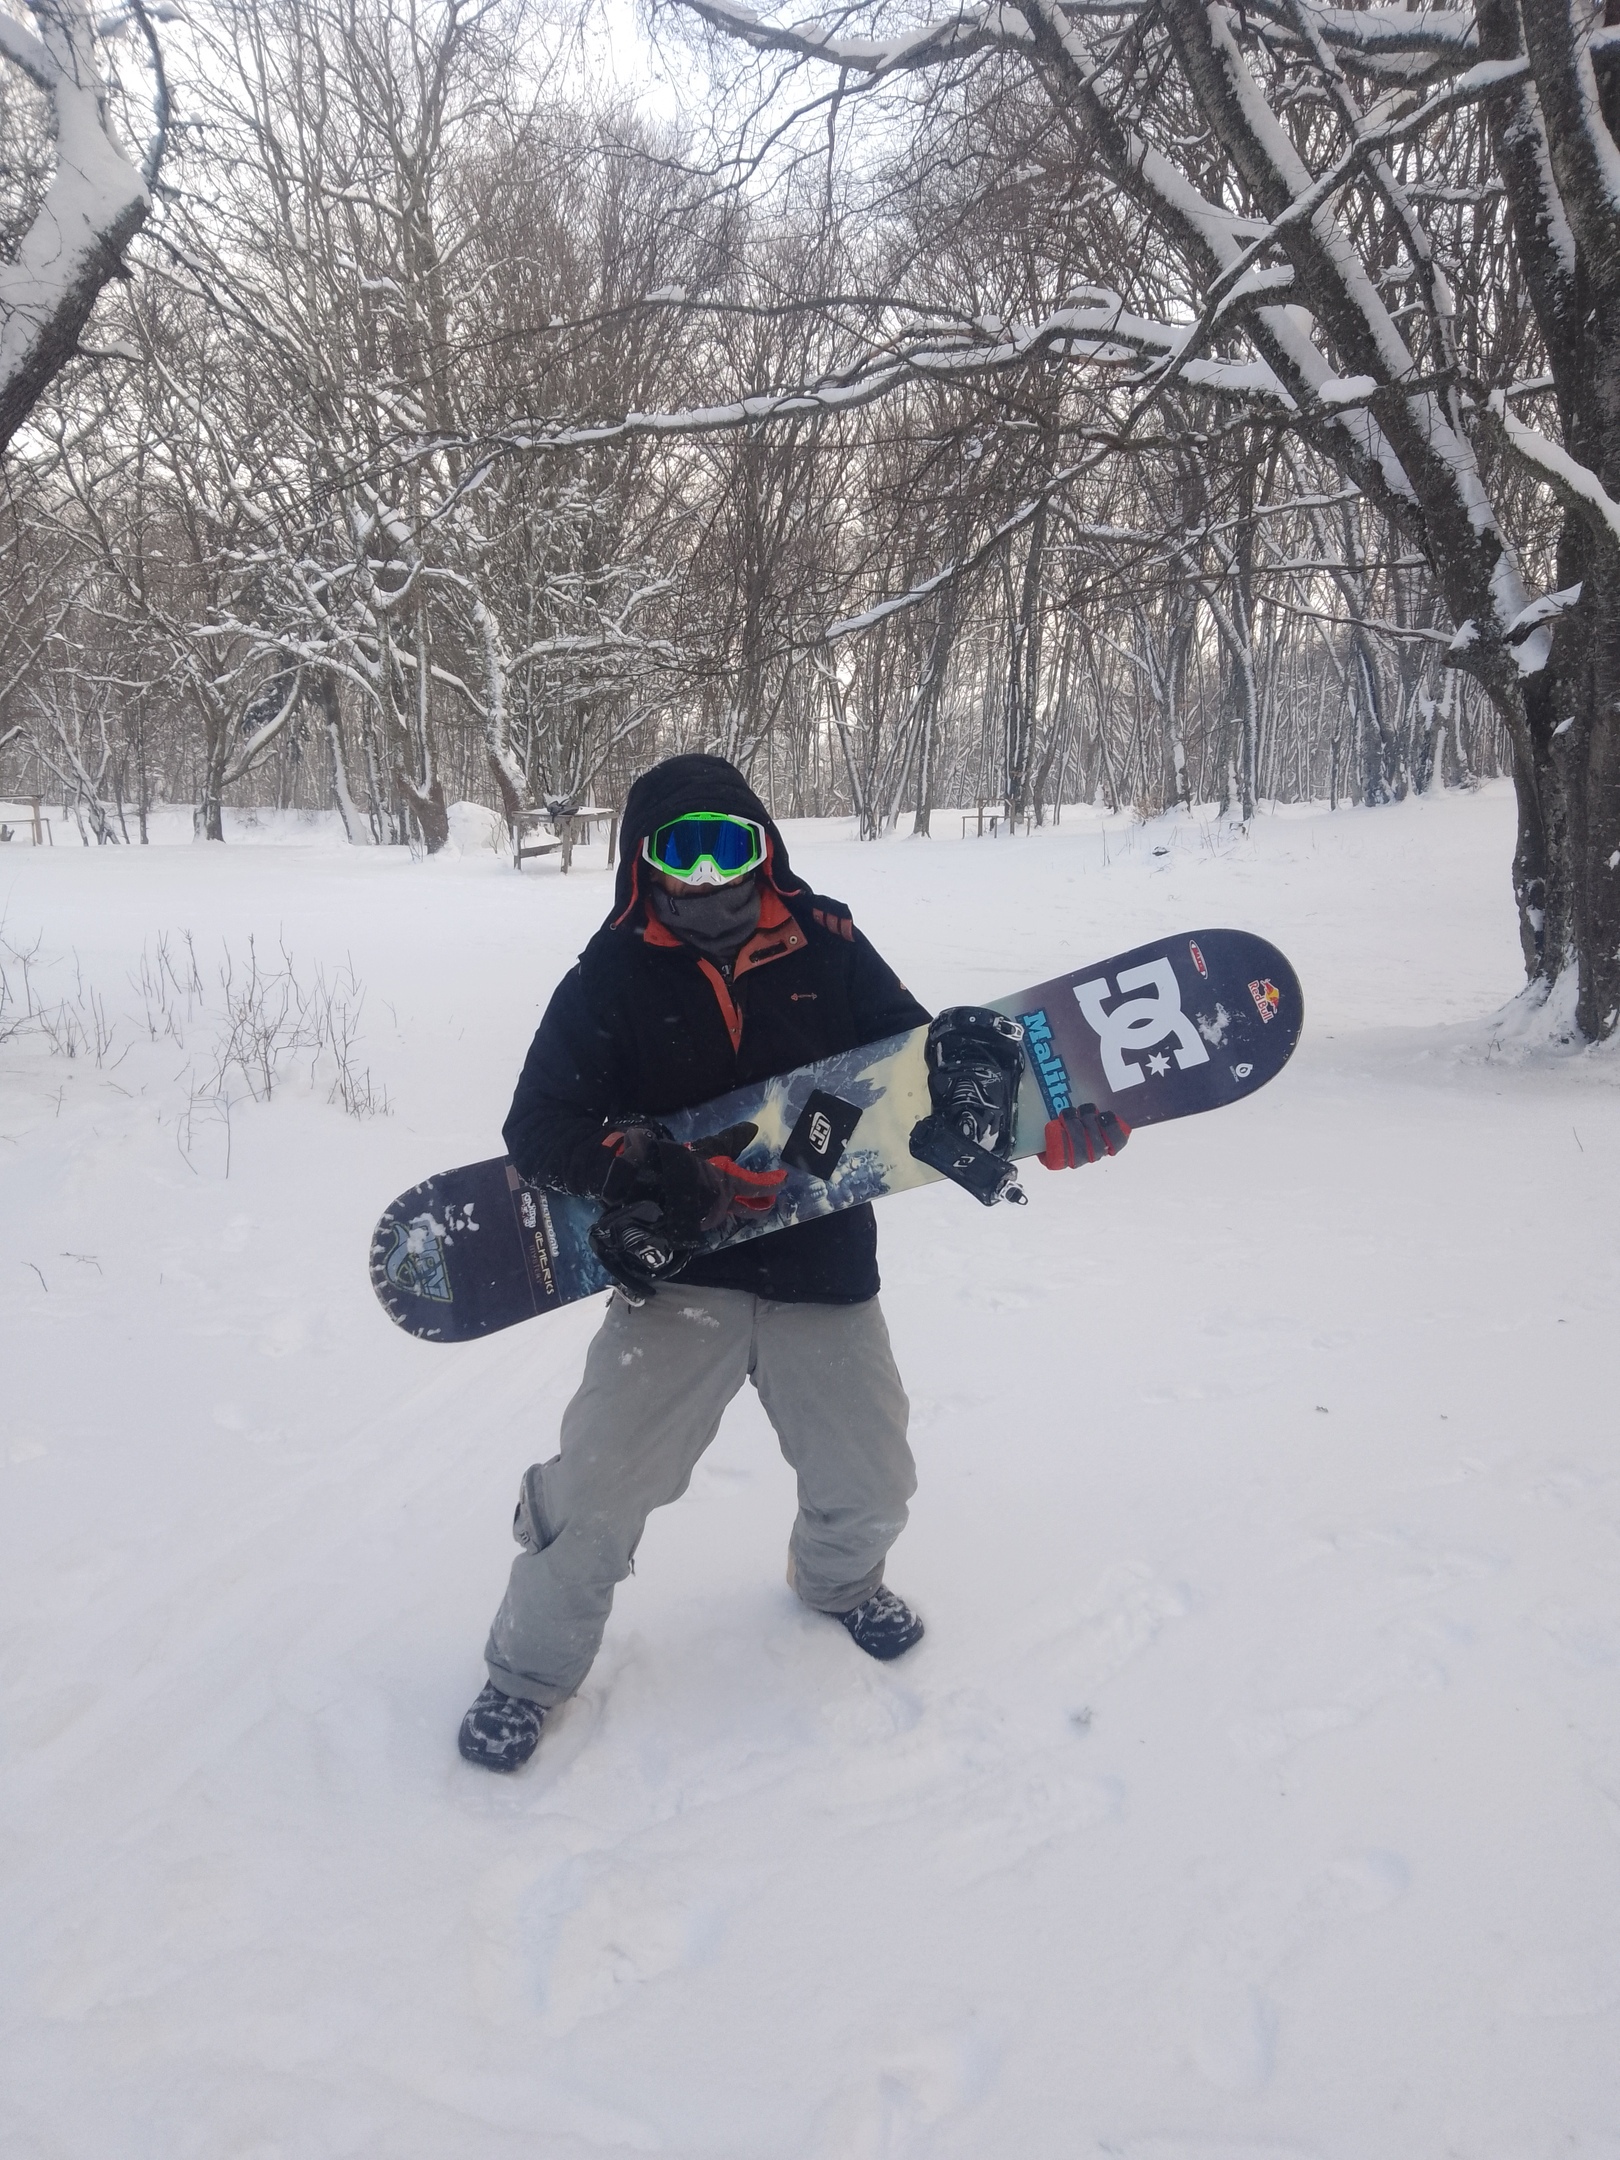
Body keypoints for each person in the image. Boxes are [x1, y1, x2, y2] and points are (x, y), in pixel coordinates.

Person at [458, 753, 1126, 1772]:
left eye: (730, 844)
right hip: (682, 1276)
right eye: (682, 850)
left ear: (764, 845)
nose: (710, 874)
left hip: (821, 1264)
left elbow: (913, 1072)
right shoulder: (609, 978)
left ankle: (838, 1584)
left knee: (874, 1479)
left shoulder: (829, 944)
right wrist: (635, 1163)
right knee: (596, 1492)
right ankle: (526, 1673)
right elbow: (537, 1125)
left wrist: (1038, 1123)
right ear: (646, 865)